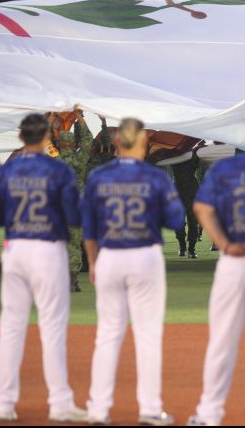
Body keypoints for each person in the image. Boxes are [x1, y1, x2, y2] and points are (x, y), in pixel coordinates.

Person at [0, 113, 86, 423]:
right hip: (47, 249)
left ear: (20, 137)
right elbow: (74, 215)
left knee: (11, 327)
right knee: (52, 327)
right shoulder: (58, 169)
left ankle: (3, 405)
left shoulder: (8, 170)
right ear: (46, 137)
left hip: (15, 249)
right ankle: (60, 403)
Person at [82, 118, 185, 426]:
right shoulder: (155, 177)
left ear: (116, 143)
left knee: (107, 334)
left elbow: (88, 226)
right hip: (144, 256)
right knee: (148, 334)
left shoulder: (98, 176)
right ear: (143, 143)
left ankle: (98, 409)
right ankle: (150, 409)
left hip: (109, 256)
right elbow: (176, 220)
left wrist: (93, 262)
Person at [187, 107, 245, 426]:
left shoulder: (228, 168)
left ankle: (208, 414)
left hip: (235, 260)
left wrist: (225, 244)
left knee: (222, 340)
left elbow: (202, 208)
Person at [55, 105, 93, 292]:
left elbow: (43, 140)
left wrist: (50, 119)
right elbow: (87, 140)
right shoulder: (80, 159)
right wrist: (79, 117)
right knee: (75, 244)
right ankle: (73, 280)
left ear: (60, 144)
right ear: (72, 144)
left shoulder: (55, 160)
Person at [172, 151, 200, 259]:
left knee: (193, 223)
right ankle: (182, 246)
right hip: (178, 193)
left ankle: (192, 249)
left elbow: (196, 162)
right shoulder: (174, 155)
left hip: (192, 193)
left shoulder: (193, 155)